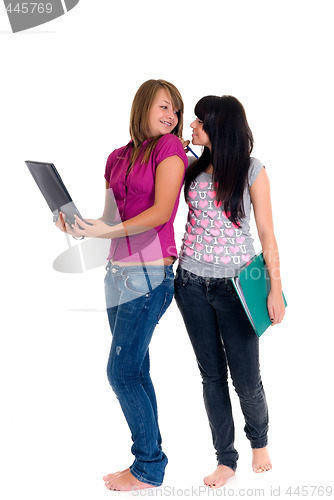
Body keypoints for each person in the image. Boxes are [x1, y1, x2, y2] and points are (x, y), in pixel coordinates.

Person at [56, 79, 188, 491]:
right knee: (136, 368)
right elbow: (112, 220)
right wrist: (79, 226)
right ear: (143, 107)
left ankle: (148, 466)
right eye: (165, 107)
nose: (172, 117)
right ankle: (148, 462)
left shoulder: (171, 150)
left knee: (121, 372)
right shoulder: (116, 157)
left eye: (177, 111)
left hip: (150, 275)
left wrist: (104, 232)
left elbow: (161, 213)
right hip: (116, 275)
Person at [175, 95, 285, 489]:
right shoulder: (190, 168)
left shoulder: (253, 171)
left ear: (218, 127)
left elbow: (268, 233)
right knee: (211, 377)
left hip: (238, 286)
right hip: (189, 283)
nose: (191, 126)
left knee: (246, 378)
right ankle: (225, 459)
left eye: (199, 122)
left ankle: (259, 442)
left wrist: (275, 288)